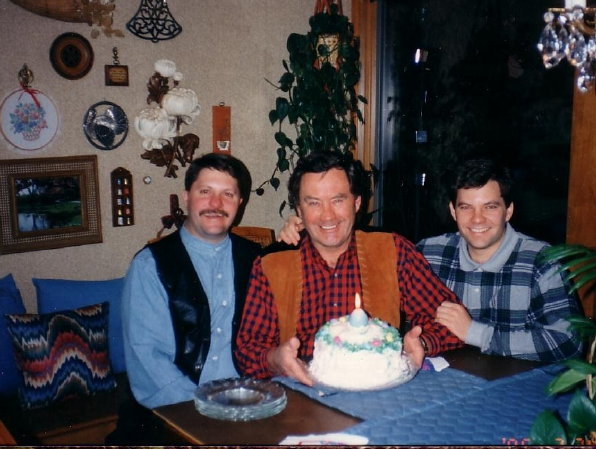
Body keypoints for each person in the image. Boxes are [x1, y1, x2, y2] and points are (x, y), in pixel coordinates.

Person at [235, 151, 463, 386]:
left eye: (338, 200)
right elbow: (248, 351)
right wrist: (275, 359)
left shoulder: (392, 250)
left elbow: (452, 320)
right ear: (299, 212)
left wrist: (421, 343)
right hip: (304, 396)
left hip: (378, 391)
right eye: (314, 202)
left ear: (356, 203)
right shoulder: (272, 264)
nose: (327, 215)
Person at [108, 153, 261, 443]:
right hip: (173, 416)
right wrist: (207, 416)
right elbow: (148, 360)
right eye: (205, 192)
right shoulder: (151, 264)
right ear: (186, 197)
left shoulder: (255, 259)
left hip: (248, 407)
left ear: (239, 204)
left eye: (227, 194)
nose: (216, 204)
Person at [416, 158, 582, 362]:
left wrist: (475, 333)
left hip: (517, 387)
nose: (477, 219)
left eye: (490, 207)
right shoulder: (428, 254)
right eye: (466, 207)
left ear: (508, 211)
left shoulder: (541, 261)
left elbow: (569, 340)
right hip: (443, 382)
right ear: (453, 211)